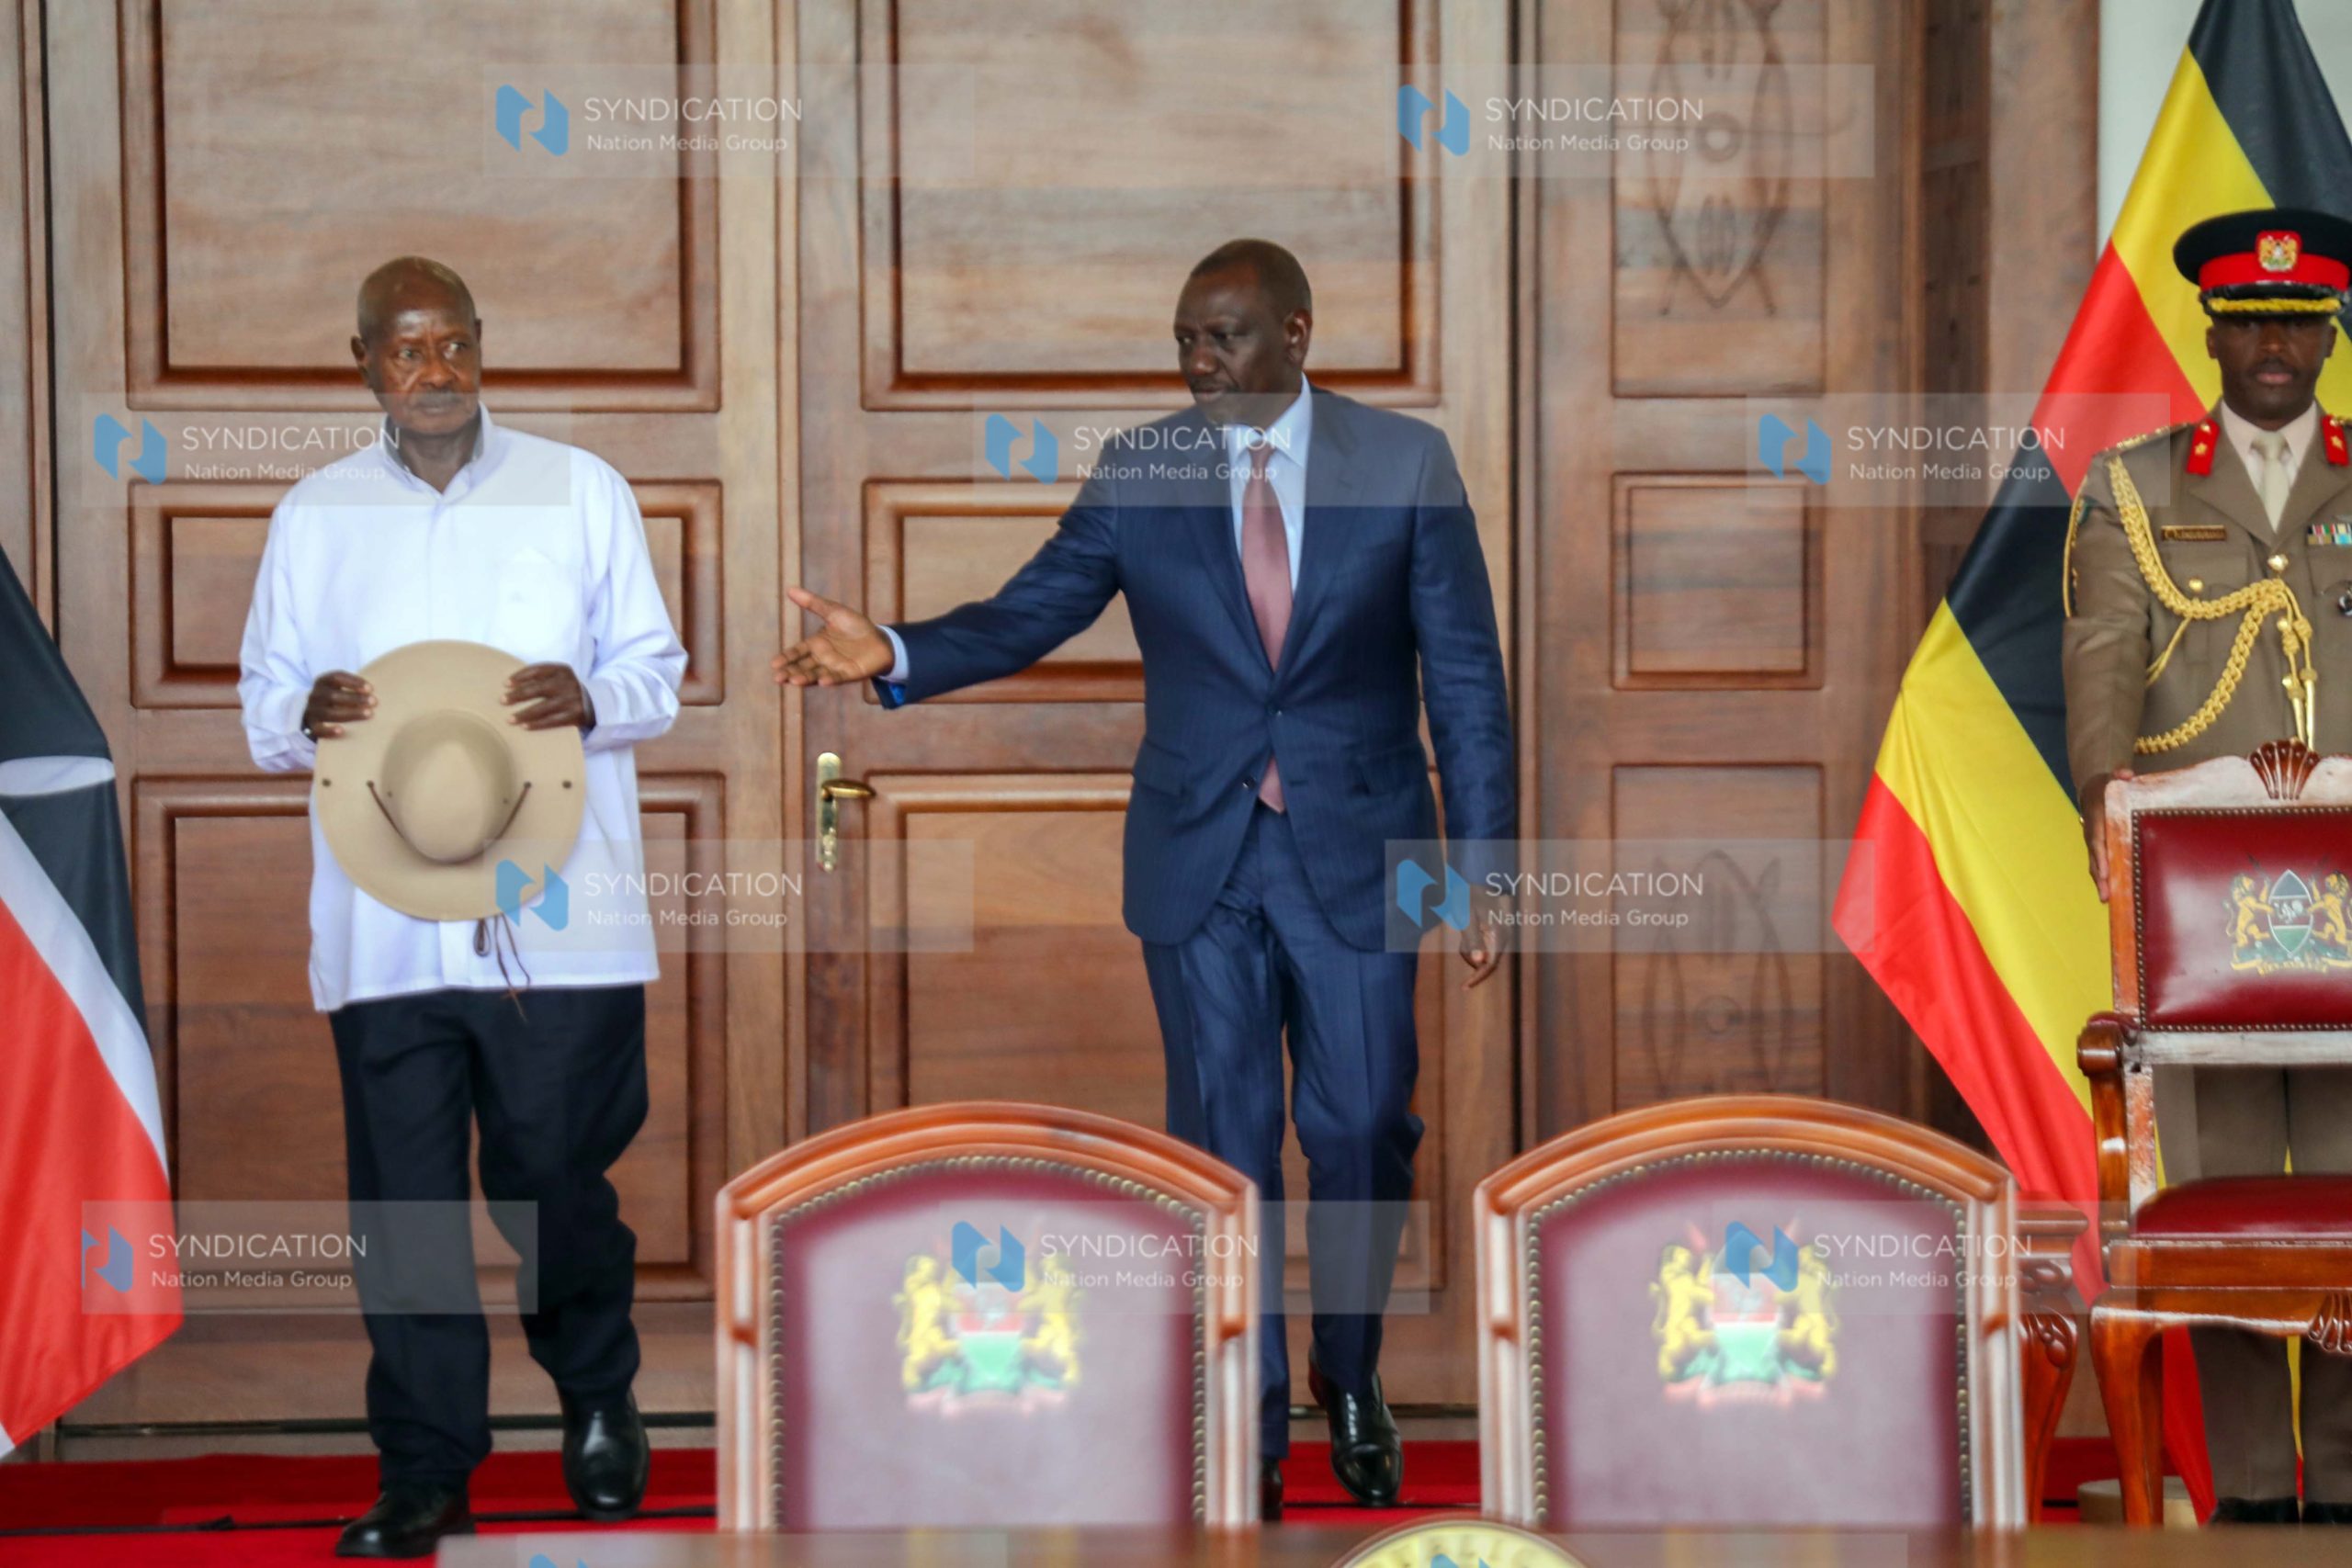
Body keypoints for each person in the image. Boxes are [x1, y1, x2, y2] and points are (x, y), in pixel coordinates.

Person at [774, 239, 1516, 1519]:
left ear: (1297, 330)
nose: (1199, 362)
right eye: (1184, 340)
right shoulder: (1143, 469)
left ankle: (1350, 1372)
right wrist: (890, 648)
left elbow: (1465, 679)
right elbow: (1034, 610)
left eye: (1224, 337)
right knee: (1222, 1140)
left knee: (1358, 1126)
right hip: (1200, 854)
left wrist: (1486, 869)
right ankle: (1247, 1407)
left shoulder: (1405, 465)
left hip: (1361, 850)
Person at [238, 257, 685, 1557]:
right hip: (386, 926)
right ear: (363, 363)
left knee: (556, 1184)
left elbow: (655, 668)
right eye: (403, 351)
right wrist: (297, 712)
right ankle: (426, 1468)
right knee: (408, 1211)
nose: (431, 372)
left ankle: (598, 1396)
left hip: (559, 920)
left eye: (452, 346)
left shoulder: (578, 487)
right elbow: (268, 701)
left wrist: (593, 695)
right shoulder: (315, 516)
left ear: (482, 348)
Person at [2064, 207, 2352, 1527]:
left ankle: (2346, 1489)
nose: (2275, 346)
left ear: (2331, 335)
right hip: (2208, 911)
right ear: (2213, 333)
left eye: (2299, 323)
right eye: (2252, 323)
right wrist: (2104, 815)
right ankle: (2248, 1498)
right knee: (2230, 1203)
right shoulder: (2135, 487)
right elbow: (2104, 665)